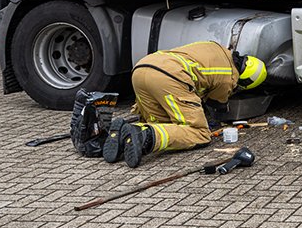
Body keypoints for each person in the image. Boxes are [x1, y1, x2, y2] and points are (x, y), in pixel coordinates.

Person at [103, 41, 267, 168]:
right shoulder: (230, 76)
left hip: (142, 69)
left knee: (164, 125)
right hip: (169, 77)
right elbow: (217, 103)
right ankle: (143, 134)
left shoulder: (217, 47)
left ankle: (125, 135)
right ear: (245, 80)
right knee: (200, 133)